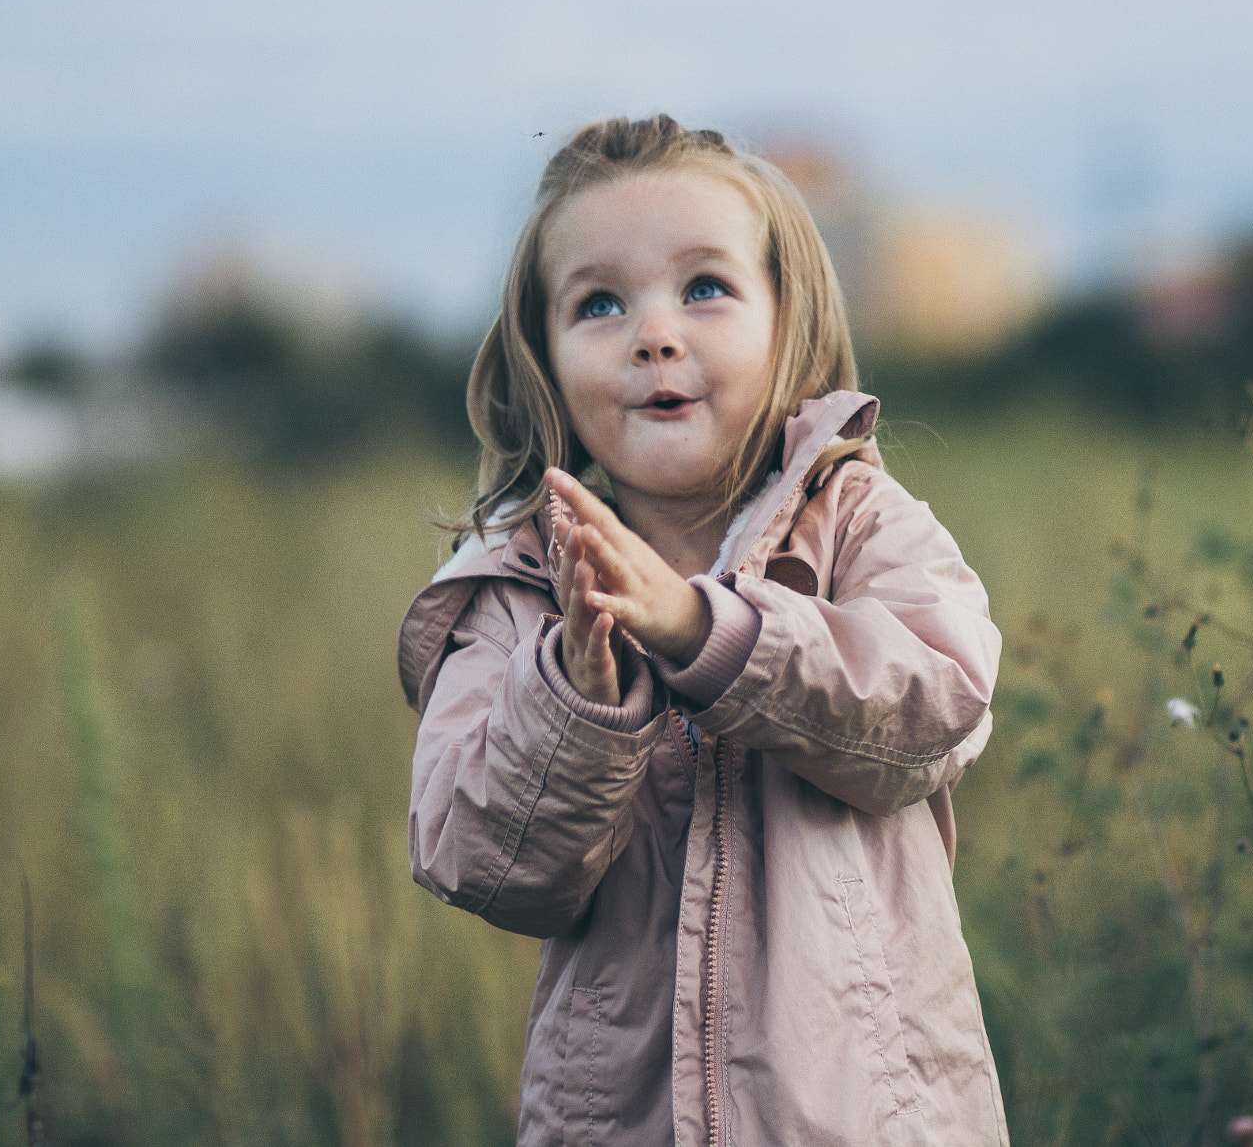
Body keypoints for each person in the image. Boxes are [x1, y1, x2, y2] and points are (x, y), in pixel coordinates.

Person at [399, 115, 1008, 1145]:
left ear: (788, 320)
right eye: (598, 303)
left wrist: (707, 633)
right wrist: (575, 699)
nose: (654, 333)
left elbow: (936, 709)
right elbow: (479, 860)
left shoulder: (856, 521)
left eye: (704, 287)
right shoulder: (521, 587)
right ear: (542, 359)